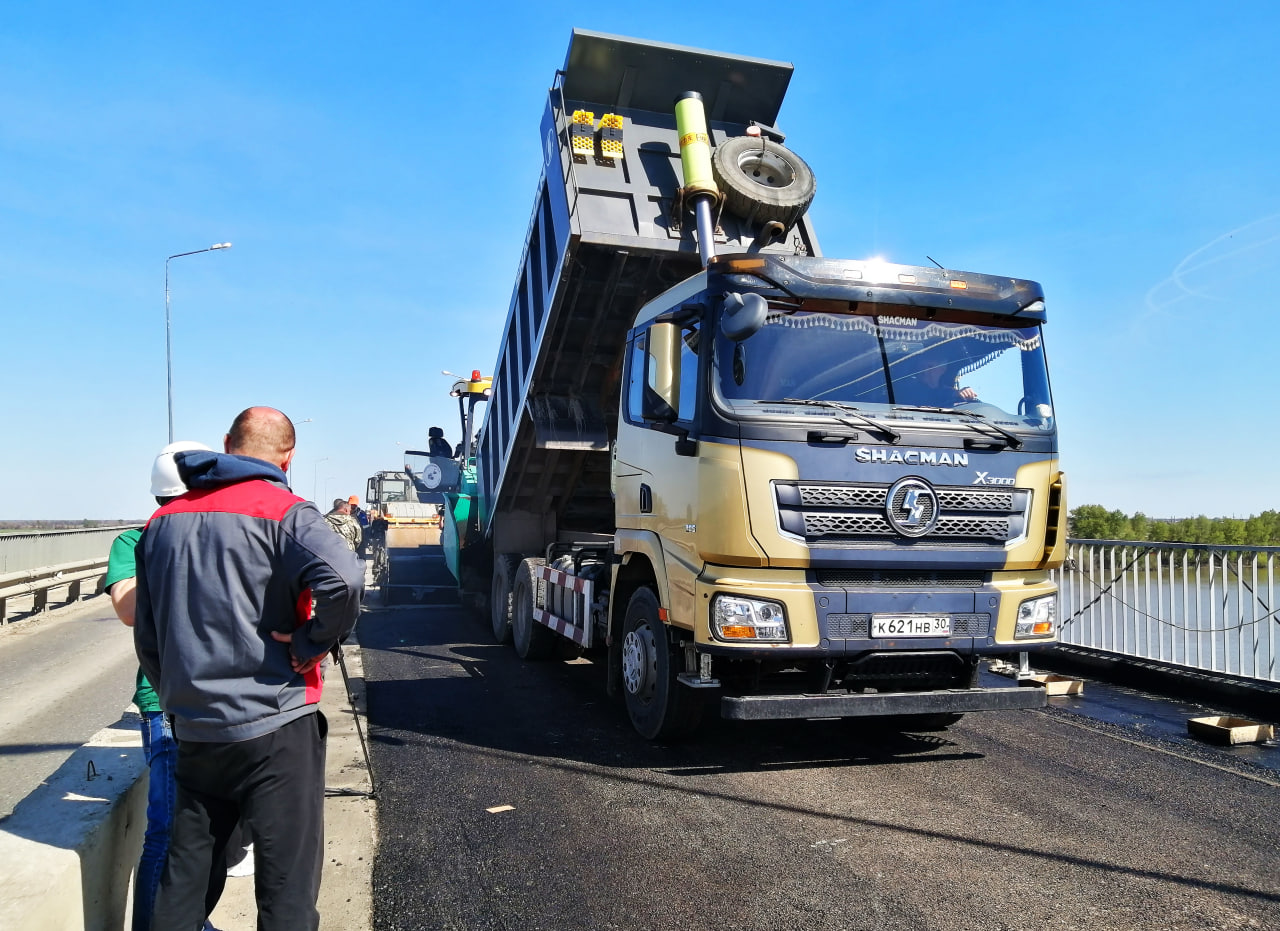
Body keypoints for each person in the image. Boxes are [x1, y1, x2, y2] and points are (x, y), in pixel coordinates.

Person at [134, 406, 364, 931]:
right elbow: (344, 582)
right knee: (286, 889)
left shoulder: (162, 523)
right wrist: (311, 641)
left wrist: (176, 695)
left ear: (226, 444)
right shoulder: (287, 513)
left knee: (184, 880)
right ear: (289, 455)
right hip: (276, 727)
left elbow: (148, 635)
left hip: (196, 732)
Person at [107, 440, 229, 931]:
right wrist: (172, 548)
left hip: (224, 701)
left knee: (213, 828)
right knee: (167, 825)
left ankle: (192, 921)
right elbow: (128, 609)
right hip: (167, 703)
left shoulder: (226, 534)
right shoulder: (135, 542)